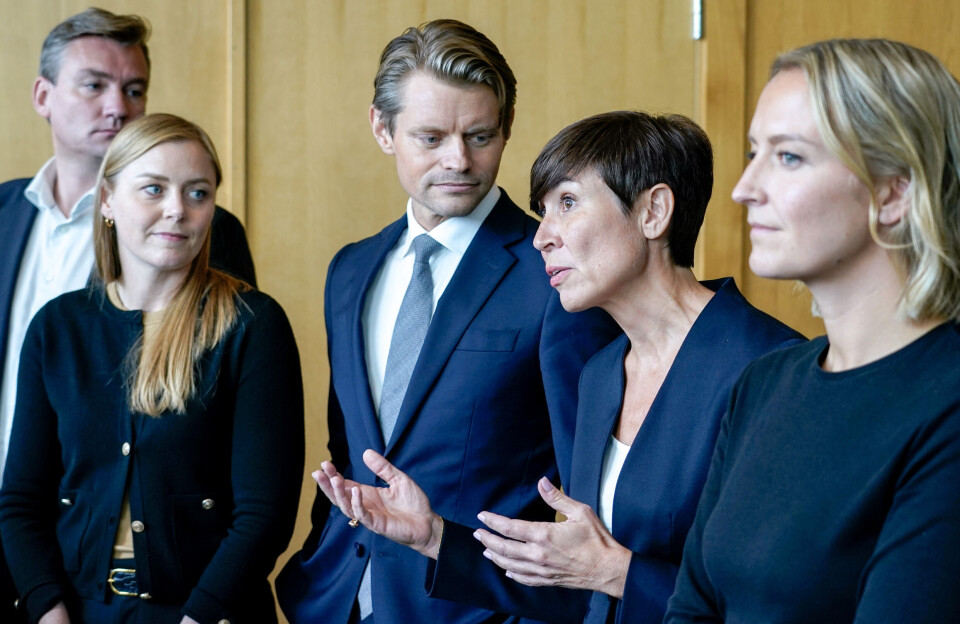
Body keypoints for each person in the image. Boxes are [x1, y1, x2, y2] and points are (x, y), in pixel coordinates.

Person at [312, 111, 803, 623]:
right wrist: (435, 537)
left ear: (654, 211)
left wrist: (617, 572)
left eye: (567, 203)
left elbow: (787, 602)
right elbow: (577, 585)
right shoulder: (602, 375)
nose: (542, 237)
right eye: (543, 212)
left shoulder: (773, 372)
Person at [276, 19, 620, 624]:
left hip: (480, 609)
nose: (458, 160)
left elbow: (587, 485)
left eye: (479, 136)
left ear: (506, 128)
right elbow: (349, 447)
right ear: (382, 129)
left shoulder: (556, 275)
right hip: (338, 600)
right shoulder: (350, 271)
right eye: (431, 138)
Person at [664, 38, 960, 623]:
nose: (744, 188)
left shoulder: (946, 405)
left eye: (789, 157)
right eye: (755, 152)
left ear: (893, 191)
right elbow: (692, 606)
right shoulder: (764, 382)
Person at [0, 11, 256, 616]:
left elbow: (212, 415)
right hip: (25, 537)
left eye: (134, 89)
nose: (118, 107)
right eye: (94, 85)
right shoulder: (5, 214)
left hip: (130, 562)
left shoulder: (196, 231)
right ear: (43, 96)